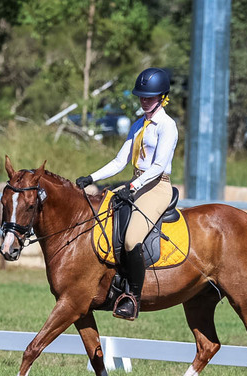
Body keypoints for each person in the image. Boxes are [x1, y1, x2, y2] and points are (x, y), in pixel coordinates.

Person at [76, 67, 178, 320]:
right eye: (142, 96)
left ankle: (133, 298)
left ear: (163, 97)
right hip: (136, 183)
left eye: (150, 96)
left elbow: (157, 167)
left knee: (132, 239)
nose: (145, 100)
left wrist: (132, 187)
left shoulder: (167, 126)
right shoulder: (138, 125)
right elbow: (120, 161)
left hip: (157, 187)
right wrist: (92, 177)